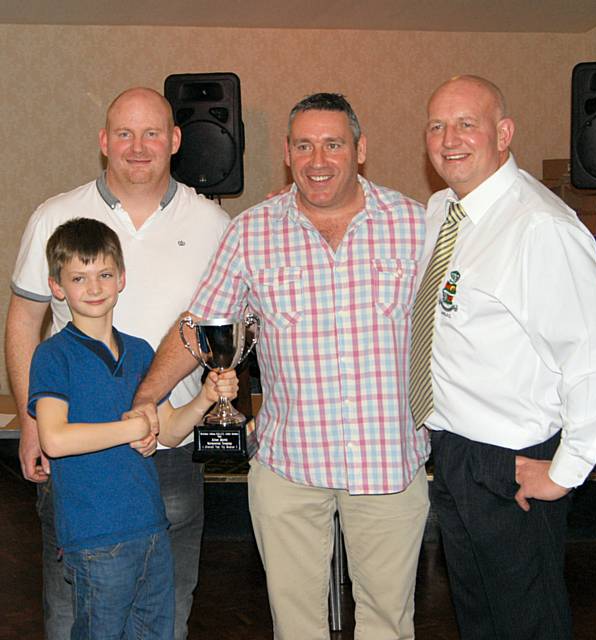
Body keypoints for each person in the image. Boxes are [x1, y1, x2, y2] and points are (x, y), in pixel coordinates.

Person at [132, 93, 431, 640]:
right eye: (304, 146)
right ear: (288, 155)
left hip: (389, 466)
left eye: (333, 144)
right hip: (290, 469)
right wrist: (145, 399)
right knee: (296, 628)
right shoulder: (252, 231)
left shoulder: (416, 226)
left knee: (389, 625)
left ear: (360, 150)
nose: (318, 160)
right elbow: (201, 327)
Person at [5, 87, 230, 639]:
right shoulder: (56, 215)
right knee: (73, 607)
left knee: (167, 604)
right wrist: (32, 423)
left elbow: (230, 326)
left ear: (175, 140)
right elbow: (22, 321)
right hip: (79, 455)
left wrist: (207, 396)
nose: (138, 147)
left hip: (170, 449)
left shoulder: (215, 225)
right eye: (124, 134)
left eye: (152, 133)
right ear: (104, 142)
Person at [410, 74, 596, 639]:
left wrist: (569, 468)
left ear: (503, 133)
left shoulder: (539, 226)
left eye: (466, 124)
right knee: (480, 619)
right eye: (437, 125)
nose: (449, 138)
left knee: (527, 624)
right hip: (454, 450)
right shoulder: (443, 211)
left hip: (512, 462)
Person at [28, 218, 237, 639]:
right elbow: (54, 438)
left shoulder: (140, 351)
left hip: (151, 529)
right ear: (57, 287)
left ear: (121, 278)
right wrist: (130, 429)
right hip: (95, 538)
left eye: (104, 274)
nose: (94, 287)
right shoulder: (54, 356)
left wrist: (205, 398)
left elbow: (168, 431)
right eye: (78, 277)